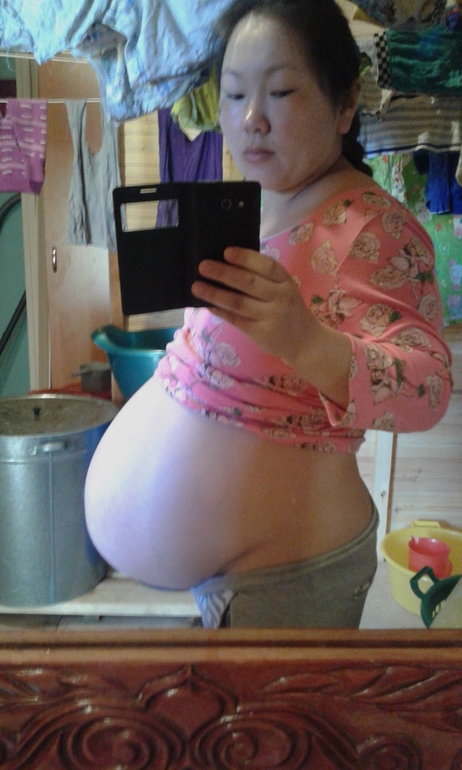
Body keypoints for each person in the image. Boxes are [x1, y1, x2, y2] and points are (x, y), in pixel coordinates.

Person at [84, 0, 452, 628]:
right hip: (228, 572)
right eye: (233, 94)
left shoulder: (374, 229)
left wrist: (305, 340)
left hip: (287, 575)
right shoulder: (253, 207)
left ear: (344, 105)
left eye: (280, 92)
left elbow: (430, 389)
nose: (250, 118)